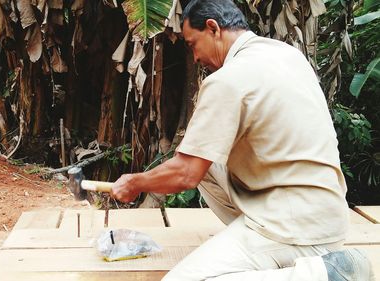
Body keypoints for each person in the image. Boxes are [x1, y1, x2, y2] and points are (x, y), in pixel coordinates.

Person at [110, 0, 374, 280]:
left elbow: (185, 174)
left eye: (192, 44)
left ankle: (324, 274)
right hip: (328, 215)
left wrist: (135, 182)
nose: (195, 57)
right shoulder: (287, 55)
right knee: (205, 159)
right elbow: (197, 163)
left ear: (212, 28)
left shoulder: (227, 79)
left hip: (296, 228)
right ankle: (250, 246)